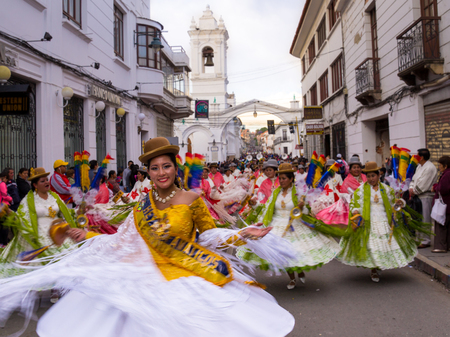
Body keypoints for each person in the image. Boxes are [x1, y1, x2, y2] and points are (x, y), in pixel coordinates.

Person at [0, 137, 295, 336]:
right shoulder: (142, 205)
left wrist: (242, 234)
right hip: (145, 275)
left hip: (187, 272)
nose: (161, 172)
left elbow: (208, 236)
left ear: (174, 168)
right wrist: (84, 234)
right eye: (154, 168)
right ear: (148, 172)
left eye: (166, 166)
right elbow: (121, 240)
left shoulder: (191, 199)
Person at [238, 163, 341, 289]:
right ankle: (292, 278)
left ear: (291, 179)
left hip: (295, 225)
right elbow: (266, 208)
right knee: (283, 253)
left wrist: (302, 207)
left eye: (284, 178)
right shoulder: (276, 192)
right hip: (277, 226)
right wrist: (254, 204)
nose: (281, 181)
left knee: (296, 251)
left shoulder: (298, 192)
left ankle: (300, 271)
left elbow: (307, 211)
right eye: (280, 178)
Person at [338, 162, 423, 283]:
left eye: (373, 176)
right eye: (368, 176)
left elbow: (394, 204)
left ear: (378, 176)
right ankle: (373, 269)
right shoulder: (360, 190)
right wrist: (356, 211)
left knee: (383, 246)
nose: (371, 179)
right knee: (371, 246)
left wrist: (400, 203)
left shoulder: (387, 190)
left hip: (384, 221)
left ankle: (378, 265)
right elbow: (353, 204)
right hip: (368, 221)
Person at [0, 167, 76, 269]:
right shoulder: (28, 200)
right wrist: (8, 211)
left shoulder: (55, 196)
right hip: (38, 235)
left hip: (57, 233)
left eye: (47, 180)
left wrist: (78, 212)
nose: (46, 182)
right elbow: (20, 219)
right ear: (35, 185)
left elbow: (66, 214)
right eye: (42, 181)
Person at [409, 148, 438, 248]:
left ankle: (425, 240)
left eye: (417, 156)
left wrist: (415, 191)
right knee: (417, 217)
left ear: (421, 157)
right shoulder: (419, 167)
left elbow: (424, 184)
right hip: (416, 196)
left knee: (425, 218)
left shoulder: (429, 168)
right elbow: (413, 179)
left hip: (425, 196)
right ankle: (418, 238)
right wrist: (411, 188)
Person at [431, 156, 450, 253]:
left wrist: (435, 187)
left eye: (440, 165)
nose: (439, 167)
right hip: (448, 205)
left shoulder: (447, 175)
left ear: (445, 166)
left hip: (444, 205)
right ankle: (447, 245)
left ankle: (441, 246)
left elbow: (443, 189)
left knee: (441, 225)